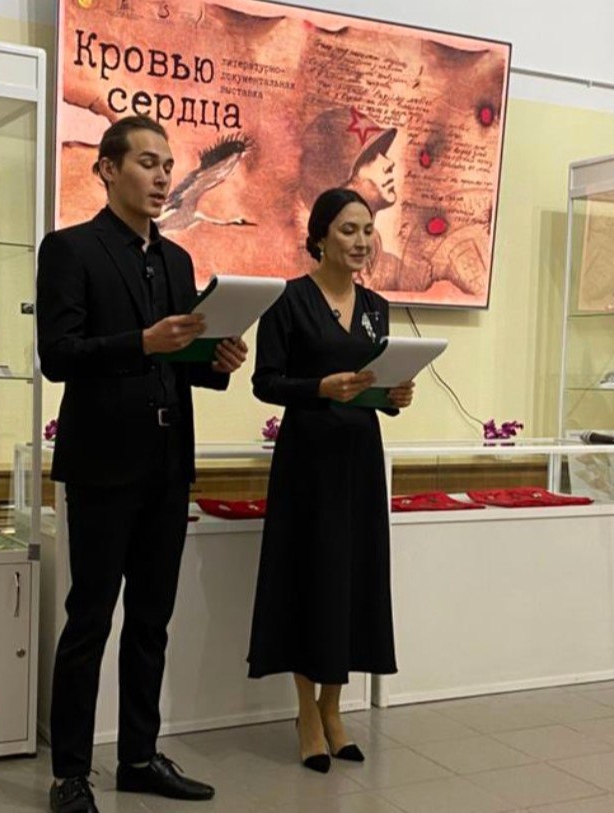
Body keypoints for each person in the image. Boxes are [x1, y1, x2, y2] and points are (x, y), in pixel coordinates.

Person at [37, 115, 248, 813]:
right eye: (147, 163)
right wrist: (143, 342)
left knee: (153, 620)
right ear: (107, 168)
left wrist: (216, 361)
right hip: (102, 464)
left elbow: (180, 361)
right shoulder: (70, 249)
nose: (162, 178)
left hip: (168, 463)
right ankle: (71, 773)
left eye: (167, 166)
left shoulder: (179, 262)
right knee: (89, 619)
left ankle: (137, 756)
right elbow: (59, 355)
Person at [247, 188, 415, 773]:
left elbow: (377, 390)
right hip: (307, 460)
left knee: (351, 578)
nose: (362, 241)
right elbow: (265, 382)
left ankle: (333, 707)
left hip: (360, 457)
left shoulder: (376, 307)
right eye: (348, 230)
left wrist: (394, 396)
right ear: (319, 236)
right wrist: (319, 388)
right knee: (308, 578)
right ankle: (306, 712)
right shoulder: (288, 301)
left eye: (368, 229)